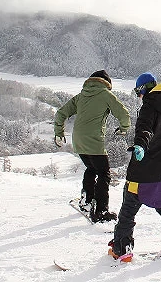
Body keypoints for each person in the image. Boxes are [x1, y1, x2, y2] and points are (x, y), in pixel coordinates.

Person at [109, 72, 161, 262]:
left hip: (143, 171)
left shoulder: (149, 105)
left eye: (138, 91)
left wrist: (140, 146)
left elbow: (145, 129)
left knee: (128, 209)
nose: (138, 96)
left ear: (144, 89)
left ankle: (122, 249)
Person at [54, 69, 131, 223]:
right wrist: (123, 129)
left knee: (91, 168)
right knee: (104, 173)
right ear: (107, 83)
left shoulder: (81, 95)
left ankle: (86, 201)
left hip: (78, 139)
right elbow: (124, 114)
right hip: (93, 140)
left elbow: (61, 113)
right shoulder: (106, 95)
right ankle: (101, 211)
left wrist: (59, 133)